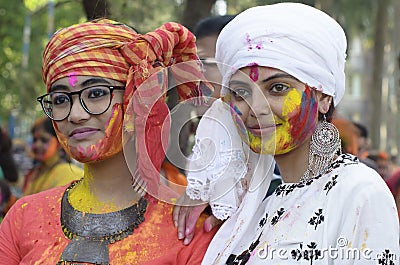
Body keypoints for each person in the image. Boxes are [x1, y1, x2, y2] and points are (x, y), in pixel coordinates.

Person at [176, 3, 399, 264]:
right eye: (241, 93)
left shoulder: (358, 192)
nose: (255, 109)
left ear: (324, 97)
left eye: (278, 88)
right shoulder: (257, 205)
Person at [0, 19, 217, 264]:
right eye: (60, 99)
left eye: (95, 94)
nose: (75, 114)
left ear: (139, 98)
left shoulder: (189, 225)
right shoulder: (25, 217)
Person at [22, 116, 83, 195]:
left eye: (44, 140)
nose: (37, 145)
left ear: (60, 143)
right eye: (35, 140)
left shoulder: (70, 174)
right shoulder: (36, 172)